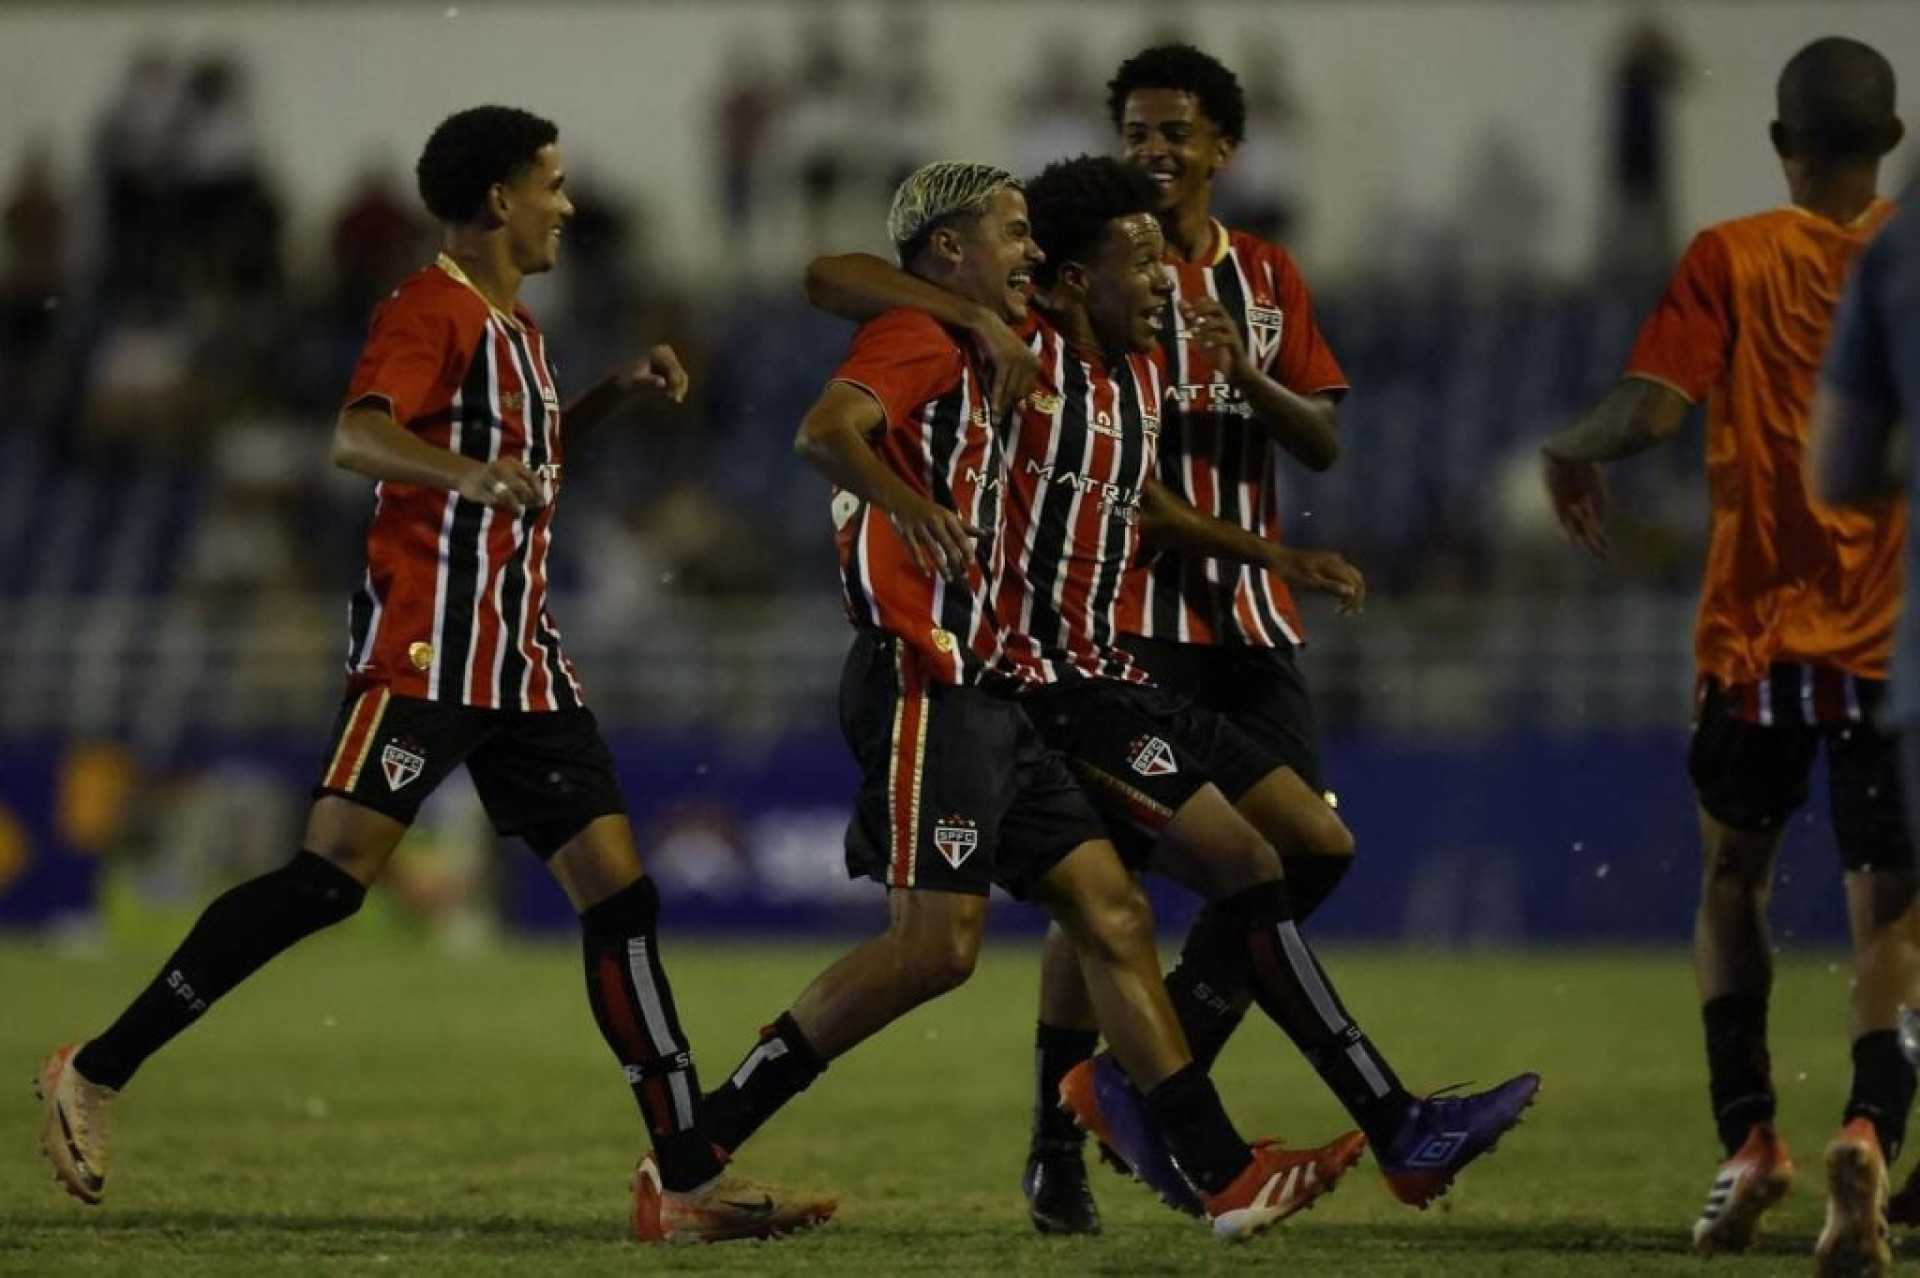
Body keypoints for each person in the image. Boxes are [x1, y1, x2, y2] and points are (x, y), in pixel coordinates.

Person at [33, 105, 833, 1246]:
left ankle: (686, 1171)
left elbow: (529, 463)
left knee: (622, 897)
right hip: (428, 653)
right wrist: (465, 471)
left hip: (522, 664)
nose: (565, 203)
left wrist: (611, 396)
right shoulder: (429, 309)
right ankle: (94, 1070)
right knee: (328, 882)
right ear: (501, 201)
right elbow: (357, 438)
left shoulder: (517, 328)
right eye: (551, 183)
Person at [806, 154, 1540, 1228]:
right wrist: (984, 321)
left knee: (1295, 851)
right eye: (1139, 259)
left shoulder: (1138, 372)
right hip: (1047, 677)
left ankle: (1126, 1092)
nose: (1166, 281)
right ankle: (1374, 1124)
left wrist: (1272, 558)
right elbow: (831, 276)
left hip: (1119, 667)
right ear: (1061, 278)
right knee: (1148, 896)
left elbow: (1139, 501)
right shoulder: (1024, 352)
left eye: (1165, 256)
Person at [650, 159, 1369, 1246]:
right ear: (949, 249)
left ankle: (1222, 1176)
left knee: (1112, 912)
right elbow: (820, 427)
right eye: (1013, 231)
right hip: (926, 673)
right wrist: (909, 503)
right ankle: (688, 1159)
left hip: (993, 679)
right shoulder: (926, 335)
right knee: (933, 951)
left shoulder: (996, 335)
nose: (1031, 252)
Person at [1539, 39, 1911, 1275]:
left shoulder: (1731, 256)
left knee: (1733, 885)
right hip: (1889, 647)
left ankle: (1751, 1142)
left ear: (1778, 143)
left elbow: (1649, 408)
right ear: (1891, 144)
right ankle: (1870, 1126)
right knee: (1891, 920)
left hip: (1753, 642)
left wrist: (1567, 443)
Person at [1013, 44, 1362, 1232]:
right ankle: (1060, 1142)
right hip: (1124, 622)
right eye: (1137, 132)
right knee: (1102, 893)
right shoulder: (1080, 282)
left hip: (1250, 633)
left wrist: (1247, 378)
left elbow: (1319, 441)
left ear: (1225, 148)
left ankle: (1134, 1084)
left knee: (1309, 856)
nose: (1155, 150)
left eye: (1177, 132)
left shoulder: (1263, 278)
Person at [1811, 181, 1920, 1234]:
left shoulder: (1896, 251)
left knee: (1895, 918)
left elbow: (1837, 465)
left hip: (1880, 652)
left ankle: (1869, 1130)